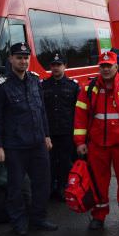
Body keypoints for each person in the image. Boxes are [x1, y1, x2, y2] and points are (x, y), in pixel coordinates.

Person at [74, 51, 119, 231]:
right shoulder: (89, 88)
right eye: (103, 66)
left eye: (109, 66)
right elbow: (80, 117)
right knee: (98, 182)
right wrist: (80, 142)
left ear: (116, 67)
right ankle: (99, 216)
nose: (106, 69)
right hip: (97, 145)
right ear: (99, 67)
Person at [0, 42, 57, 236]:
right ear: (10, 59)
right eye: (19, 57)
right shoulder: (0, 85)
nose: (23, 61)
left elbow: (41, 110)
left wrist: (47, 135)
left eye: (26, 57)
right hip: (14, 145)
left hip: (37, 142)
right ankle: (18, 222)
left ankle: (38, 219)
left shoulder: (35, 80)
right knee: (15, 187)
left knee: (43, 183)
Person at [42, 52, 80, 201]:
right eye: (53, 65)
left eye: (59, 65)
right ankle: (50, 188)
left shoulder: (73, 87)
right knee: (49, 162)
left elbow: (79, 111)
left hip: (66, 131)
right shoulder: (43, 86)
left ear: (65, 66)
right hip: (49, 132)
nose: (56, 68)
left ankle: (64, 188)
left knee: (65, 162)